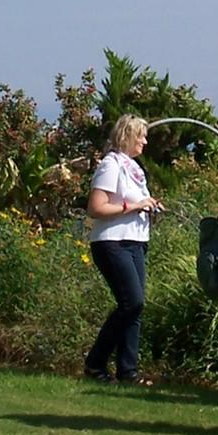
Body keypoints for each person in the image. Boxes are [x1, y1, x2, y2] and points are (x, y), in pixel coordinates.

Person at [84, 114, 164, 384]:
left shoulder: (133, 168)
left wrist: (149, 206)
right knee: (132, 302)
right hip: (112, 241)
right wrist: (133, 207)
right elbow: (96, 208)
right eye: (140, 135)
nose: (145, 140)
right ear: (127, 136)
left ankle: (128, 372)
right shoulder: (111, 165)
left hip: (135, 241)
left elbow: (133, 200)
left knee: (135, 307)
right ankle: (95, 363)